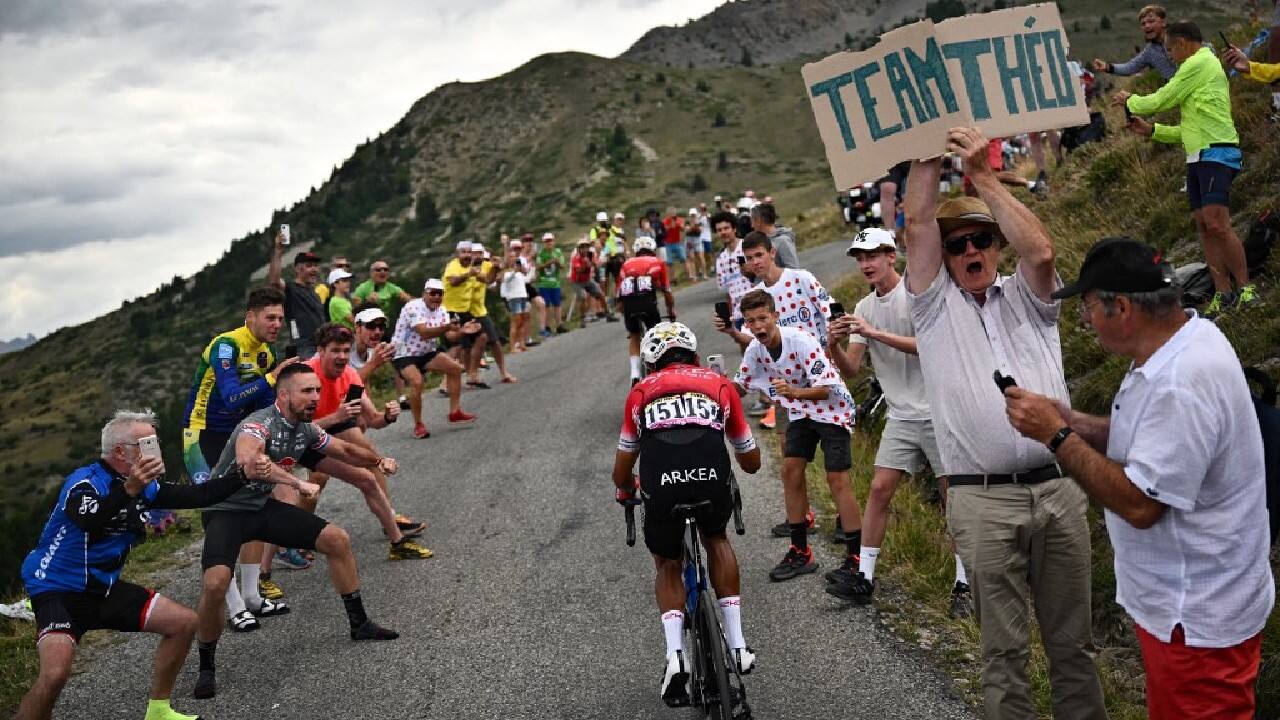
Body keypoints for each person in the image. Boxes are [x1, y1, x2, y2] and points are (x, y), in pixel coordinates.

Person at [1003, 236, 1273, 720]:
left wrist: (1058, 435)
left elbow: (1141, 505)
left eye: (1087, 308)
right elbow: (1155, 444)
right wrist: (1077, 423)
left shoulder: (1179, 383)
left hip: (1194, 618)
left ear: (1121, 306)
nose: (1085, 321)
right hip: (1192, 608)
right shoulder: (1189, 337)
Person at [901, 129, 1106, 719]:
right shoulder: (933, 307)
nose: (970, 251)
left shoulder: (1030, 297)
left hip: (1059, 485)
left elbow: (1041, 253)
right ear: (944, 256)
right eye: (957, 243)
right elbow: (917, 225)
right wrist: (927, 154)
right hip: (983, 499)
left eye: (981, 239)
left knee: (1074, 647)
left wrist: (983, 178)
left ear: (995, 243)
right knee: (1004, 652)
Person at [17, 411, 247, 720]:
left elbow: (198, 494)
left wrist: (244, 475)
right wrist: (129, 490)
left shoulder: (146, 487)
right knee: (56, 675)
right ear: (120, 452)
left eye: (156, 441)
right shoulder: (85, 481)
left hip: (103, 588)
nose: (156, 449)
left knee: (184, 623)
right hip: (57, 588)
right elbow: (88, 520)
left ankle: (159, 711)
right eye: (147, 443)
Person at [193, 363, 400, 700]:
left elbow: (345, 450)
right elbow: (250, 460)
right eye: (307, 391)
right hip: (226, 511)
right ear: (284, 394)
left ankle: (360, 624)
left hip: (261, 509)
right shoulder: (258, 424)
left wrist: (377, 462)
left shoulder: (304, 429)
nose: (315, 398)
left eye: (317, 391)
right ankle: (206, 665)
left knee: (337, 539)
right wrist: (295, 482)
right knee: (215, 582)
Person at [821, 229, 971, 617]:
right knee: (879, 489)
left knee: (952, 498)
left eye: (872, 256)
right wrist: (833, 344)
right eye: (860, 258)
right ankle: (864, 577)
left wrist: (875, 334)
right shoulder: (864, 307)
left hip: (939, 410)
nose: (865, 264)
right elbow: (853, 370)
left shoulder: (917, 294)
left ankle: (965, 584)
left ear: (892, 256)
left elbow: (932, 347)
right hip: (901, 413)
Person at [612, 322, 761, 706]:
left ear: (649, 363)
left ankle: (676, 654)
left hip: (661, 480)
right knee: (717, 537)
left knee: (667, 561)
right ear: (695, 355)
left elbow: (622, 466)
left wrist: (626, 488)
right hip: (710, 475)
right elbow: (751, 461)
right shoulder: (719, 383)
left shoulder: (640, 392)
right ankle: (739, 644)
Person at [1116, 20, 1257, 317]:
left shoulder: (1199, 62)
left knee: (1217, 223)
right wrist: (1152, 131)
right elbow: (1188, 130)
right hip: (1198, 155)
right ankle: (1223, 292)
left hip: (1217, 152)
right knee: (1205, 227)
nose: (1168, 56)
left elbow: (1162, 98)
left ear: (1182, 43)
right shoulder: (1198, 69)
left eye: (1169, 49)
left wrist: (1132, 100)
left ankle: (1246, 288)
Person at [181, 287, 298, 631]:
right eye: (270, 317)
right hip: (201, 436)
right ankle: (232, 604)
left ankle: (251, 595)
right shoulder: (227, 345)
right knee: (220, 513)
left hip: (237, 435)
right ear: (251, 317)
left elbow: (259, 403)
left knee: (254, 504)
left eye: (280, 318)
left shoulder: (265, 351)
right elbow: (232, 397)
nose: (277, 324)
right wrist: (273, 377)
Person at [732, 290, 861, 584]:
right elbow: (740, 386)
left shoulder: (800, 341)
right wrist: (708, 389)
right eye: (751, 321)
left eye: (763, 318)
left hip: (832, 411)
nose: (758, 326)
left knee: (836, 478)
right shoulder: (755, 349)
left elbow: (826, 389)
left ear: (775, 316)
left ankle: (857, 558)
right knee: (790, 470)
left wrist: (792, 392)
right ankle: (800, 551)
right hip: (801, 412)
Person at [298, 323, 432, 556]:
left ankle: (391, 526)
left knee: (371, 460)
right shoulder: (304, 376)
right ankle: (295, 539)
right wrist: (335, 418)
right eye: (335, 350)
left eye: (345, 351)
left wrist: (388, 417)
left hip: (330, 423)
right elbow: (292, 431)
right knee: (317, 479)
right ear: (320, 351)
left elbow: (372, 419)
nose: (341, 356)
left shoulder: (350, 375)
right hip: (300, 433)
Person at [717, 231, 832, 437]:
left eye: (759, 255)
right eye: (749, 258)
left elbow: (830, 315)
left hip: (818, 377)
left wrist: (832, 352)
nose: (755, 262)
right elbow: (752, 340)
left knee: (831, 450)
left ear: (772, 252)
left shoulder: (801, 279)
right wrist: (731, 332)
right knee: (789, 456)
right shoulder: (754, 296)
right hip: (784, 385)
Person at [393, 278, 477, 438]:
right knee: (417, 382)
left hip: (426, 352)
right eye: (433, 293)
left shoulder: (442, 310)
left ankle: (455, 412)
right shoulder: (413, 306)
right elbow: (423, 332)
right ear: (424, 294)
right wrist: (447, 327)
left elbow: (450, 336)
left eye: (440, 294)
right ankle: (418, 425)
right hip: (404, 353)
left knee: (455, 369)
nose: (436, 297)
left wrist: (463, 332)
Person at [618, 237, 676, 385]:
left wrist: (625, 315)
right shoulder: (658, 262)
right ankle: (657, 372)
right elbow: (666, 291)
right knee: (655, 335)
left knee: (634, 336)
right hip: (647, 302)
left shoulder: (626, 264)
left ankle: (635, 374)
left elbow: (619, 295)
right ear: (653, 250)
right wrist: (671, 310)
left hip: (629, 304)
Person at [266, 234, 325, 359]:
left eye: (315, 266)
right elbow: (274, 281)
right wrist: (278, 251)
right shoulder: (290, 289)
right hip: (303, 348)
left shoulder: (314, 293)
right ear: (298, 268)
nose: (314, 269)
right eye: (309, 266)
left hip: (321, 346)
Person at [1091, 5, 1177, 82]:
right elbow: (1129, 67)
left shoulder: (1181, 38)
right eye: (1143, 24)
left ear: (1163, 22)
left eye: (1151, 21)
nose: (1146, 26)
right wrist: (1107, 67)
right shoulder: (1150, 51)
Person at [711, 211, 755, 330]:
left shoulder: (748, 246)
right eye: (719, 230)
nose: (723, 232)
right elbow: (727, 292)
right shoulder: (721, 259)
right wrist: (730, 317)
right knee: (746, 347)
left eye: (726, 228)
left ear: (734, 228)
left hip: (757, 306)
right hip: (738, 312)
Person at [570, 238, 613, 323]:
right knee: (583, 296)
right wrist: (586, 265)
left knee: (601, 294)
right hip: (577, 281)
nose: (585, 249)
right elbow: (579, 271)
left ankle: (608, 314)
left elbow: (596, 264)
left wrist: (593, 263)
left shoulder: (591, 255)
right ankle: (582, 318)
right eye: (582, 247)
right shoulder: (576, 258)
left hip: (587, 279)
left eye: (586, 247)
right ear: (579, 249)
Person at [348, 308, 396, 382]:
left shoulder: (372, 352)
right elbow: (346, 387)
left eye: (381, 326)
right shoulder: (344, 349)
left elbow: (364, 386)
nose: (378, 332)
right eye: (371, 326)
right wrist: (373, 363)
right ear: (358, 327)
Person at [501, 239, 532, 352]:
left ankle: (522, 344)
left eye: (515, 257)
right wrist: (514, 271)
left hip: (522, 295)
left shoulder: (518, 267)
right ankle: (513, 346)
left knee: (522, 320)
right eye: (512, 257)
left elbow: (525, 273)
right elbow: (506, 280)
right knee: (516, 321)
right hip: (513, 298)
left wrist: (520, 268)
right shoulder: (506, 270)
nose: (514, 259)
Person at [749, 204, 800, 269]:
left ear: (759, 221)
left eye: (752, 221)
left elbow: (793, 269)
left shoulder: (783, 241)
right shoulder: (759, 241)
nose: (752, 226)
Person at [535, 232, 567, 334]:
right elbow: (538, 267)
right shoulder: (541, 253)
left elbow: (562, 266)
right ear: (544, 242)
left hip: (555, 283)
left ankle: (559, 325)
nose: (549, 243)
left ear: (554, 241)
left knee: (557, 304)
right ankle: (547, 326)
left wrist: (557, 263)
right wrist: (548, 263)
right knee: (546, 306)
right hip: (544, 283)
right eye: (547, 241)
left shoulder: (558, 252)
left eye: (550, 241)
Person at [685, 208, 708, 280]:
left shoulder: (699, 221)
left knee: (701, 257)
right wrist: (694, 226)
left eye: (694, 215)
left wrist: (695, 227)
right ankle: (694, 276)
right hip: (689, 240)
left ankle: (705, 274)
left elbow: (700, 230)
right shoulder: (687, 222)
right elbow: (687, 230)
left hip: (697, 239)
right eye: (691, 215)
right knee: (691, 258)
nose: (693, 216)